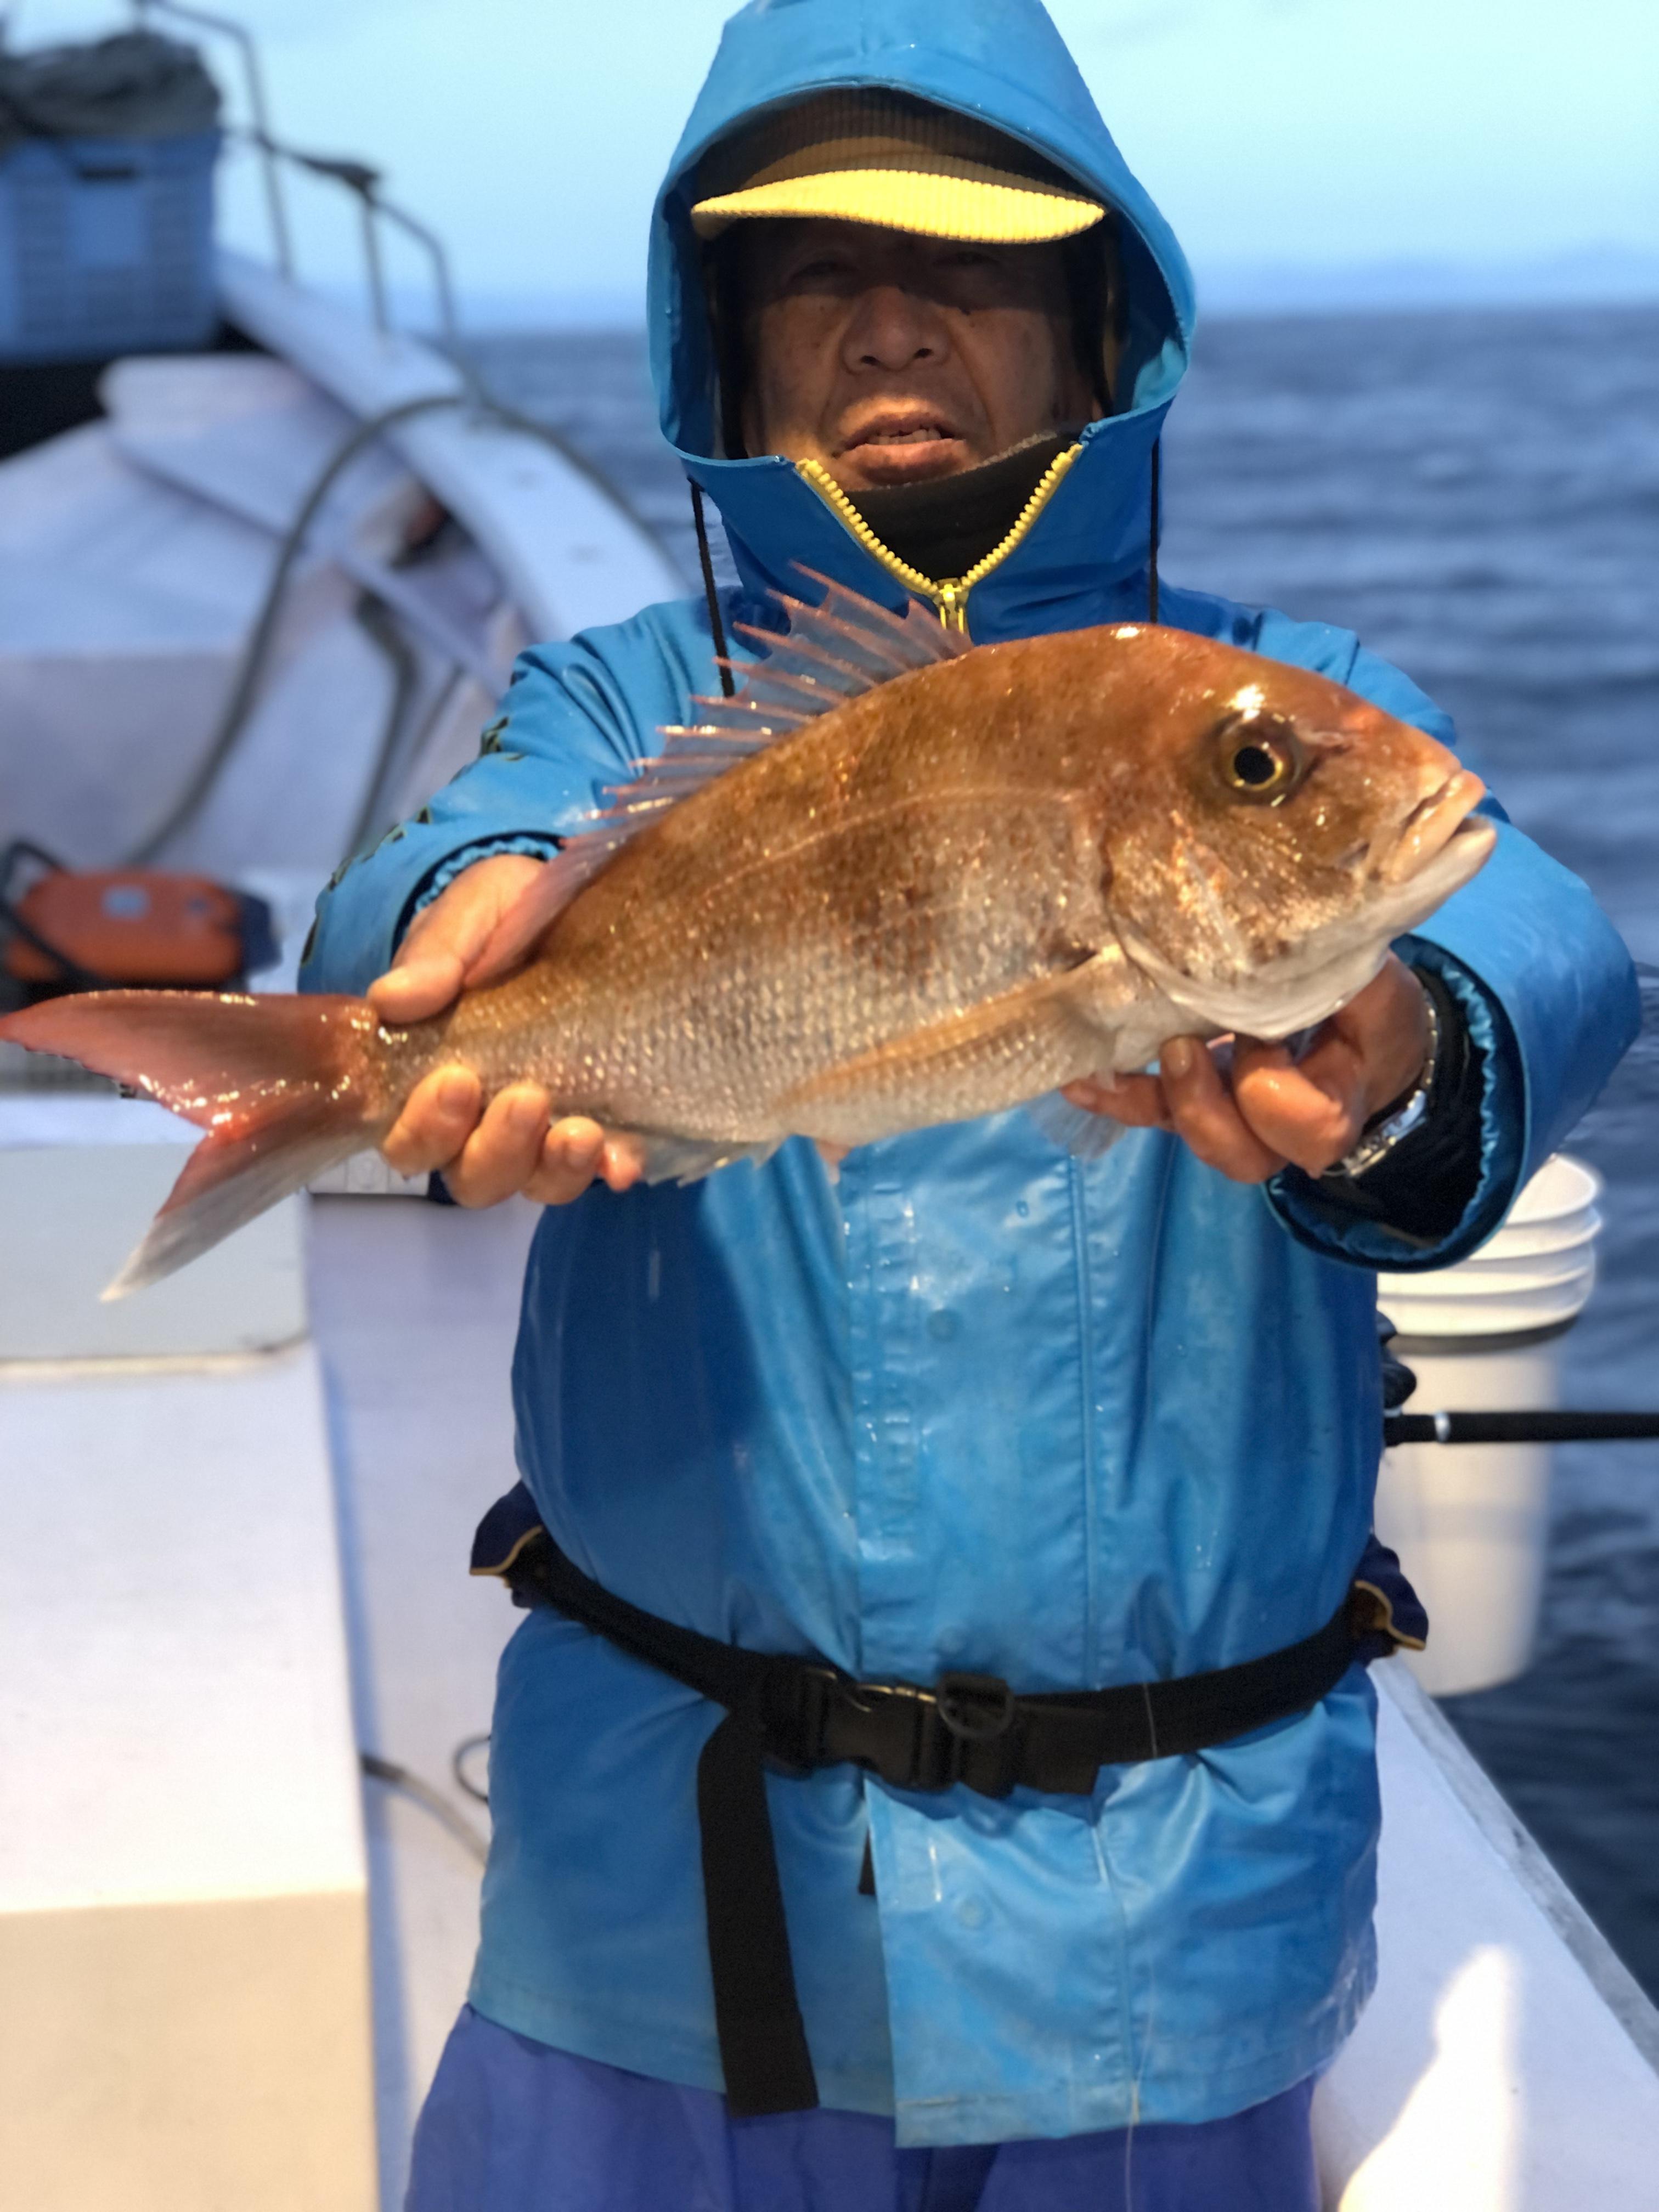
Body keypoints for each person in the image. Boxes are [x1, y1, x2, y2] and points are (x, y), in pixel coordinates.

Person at [301, 4, 1637, 2205]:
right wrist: (453, 939)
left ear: (1098, 324)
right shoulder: (635, 702)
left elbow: (1540, 939)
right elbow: (445, 863)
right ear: (724, 339)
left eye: (984, 266)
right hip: (671, 1887)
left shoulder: (1262, 705)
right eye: (815, 269)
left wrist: (1400, 1042)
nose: (897, 318)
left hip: (1172, 1921)